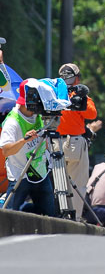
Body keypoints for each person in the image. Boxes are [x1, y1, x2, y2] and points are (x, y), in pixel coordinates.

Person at [0, 79, 55, 216]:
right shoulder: (12, 122)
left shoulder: (38, 116)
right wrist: (24, 140)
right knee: (10, 214)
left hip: (41, 173)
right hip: (20, 175)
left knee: (49, 215)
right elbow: (6, 150)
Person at [55, 62, 102, 220]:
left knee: (58, 183)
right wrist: (79, 97)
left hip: (54, 143)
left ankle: (59, 215)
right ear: (76, 79)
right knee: (77, 185)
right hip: (75, 142)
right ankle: (73, 219)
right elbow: (92, 114)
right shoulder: (80, 96)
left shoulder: (54, 93)